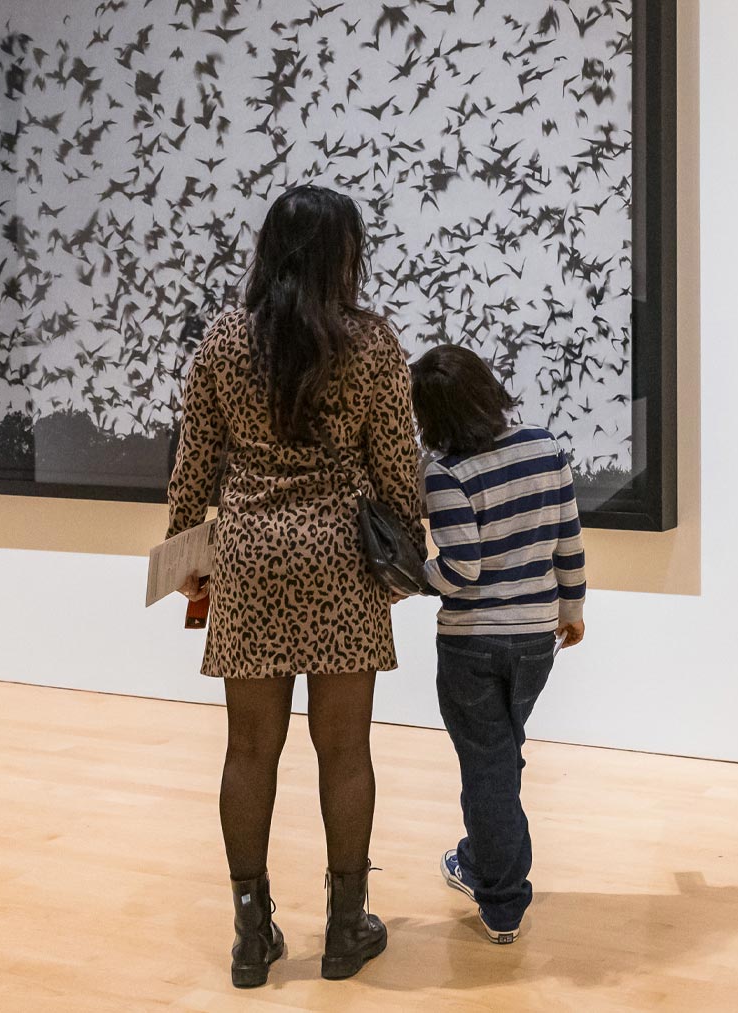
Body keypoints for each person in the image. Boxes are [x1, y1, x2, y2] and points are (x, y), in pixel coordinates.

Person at [166, 185, 423, 986]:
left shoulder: (221, 342)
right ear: (341, 255)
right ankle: (346, 931)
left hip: (247, 555)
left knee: (249, 750)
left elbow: (191, 468)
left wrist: (185, 562)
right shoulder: (373, 345)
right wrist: (406, 550)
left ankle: (252, 934)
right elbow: (399, 472)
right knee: (345, 752)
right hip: (340, 559)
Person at [408, 343, 587, 944]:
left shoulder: (447, 474)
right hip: (538, 640)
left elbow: (461, 572)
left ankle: (502, 901)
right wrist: (573, 607)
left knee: (487, 766)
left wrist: (410, 579)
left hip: (473, 644)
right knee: (502, 755)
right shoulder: (544, 447)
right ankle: (483, 860)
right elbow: (568, 538)